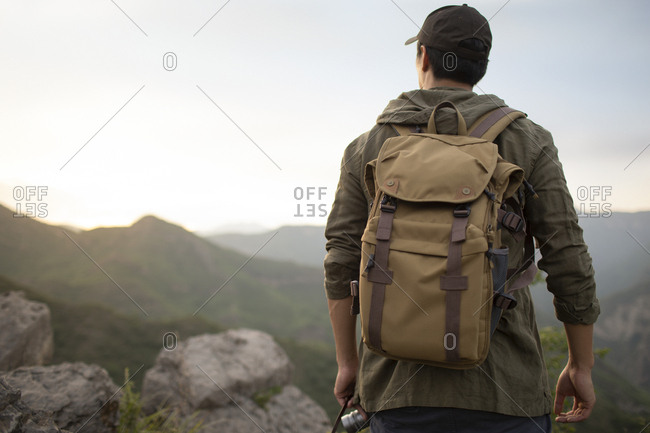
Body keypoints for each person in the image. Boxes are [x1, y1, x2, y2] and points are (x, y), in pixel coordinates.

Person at [323, 4, 600, 432]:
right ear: (481, 67)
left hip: (397, 393)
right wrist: (581, 364)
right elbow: (567, 257)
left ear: (424, 57)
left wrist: (347, 362)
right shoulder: (528, 141)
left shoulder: (369, 146)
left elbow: (341, 260)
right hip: (506, 390)